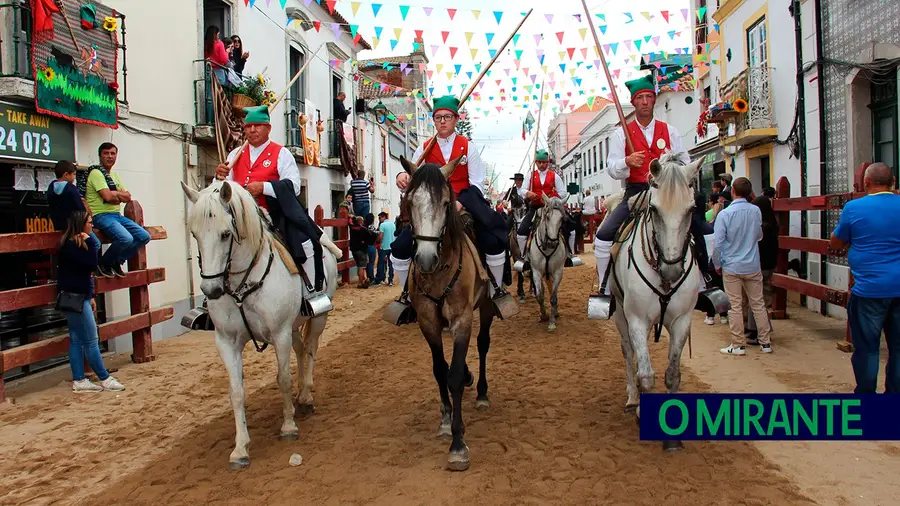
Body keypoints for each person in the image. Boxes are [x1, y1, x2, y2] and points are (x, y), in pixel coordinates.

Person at [391, 95, 509, 301]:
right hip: (432, 208)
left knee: (493, 242)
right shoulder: (424, 147)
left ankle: (496, 290)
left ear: (456, 119)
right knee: (400, 248)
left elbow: (477, 183)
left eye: (447, 117)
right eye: (438, 117)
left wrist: (460, 202)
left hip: (462, 204)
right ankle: (407, 296)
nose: (442, 121)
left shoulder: (467, 146)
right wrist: (401, 177)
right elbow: (413, 179)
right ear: (434, 121)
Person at [216, 105, 329, 300]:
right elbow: (222, 192)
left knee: (306, 243)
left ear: (268, 128)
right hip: (239, 219)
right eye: (248, 126)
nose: (252, 130)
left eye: (258, 126)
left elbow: (293, 186)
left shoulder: (281, 153)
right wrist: (219, 177)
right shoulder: (234, 156)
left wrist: (265, 187)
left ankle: (312, 292)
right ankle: (213, 299)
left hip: (273, 216)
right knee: (215, 246)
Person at [592, 74, 690, 295]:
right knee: (603, 235)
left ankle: (705, 280)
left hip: (666, 193)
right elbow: (611, 167)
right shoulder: (620, 134)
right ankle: (604, 286)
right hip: (636, 193)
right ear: (633, 102)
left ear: (654, 100)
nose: (645, 101)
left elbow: (686, 161)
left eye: (648, 96)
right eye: (640, 98)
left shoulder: (670, 131)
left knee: (701, 228)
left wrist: (673, 165)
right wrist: (627, 161)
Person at [830, 162, 900, 393]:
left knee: (868, 349)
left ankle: (867, 399)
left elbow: (837, 242)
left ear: (866, 182)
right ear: (893, 182)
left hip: (869, 290)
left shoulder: (854, 208)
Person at [57, 211, 125, 393]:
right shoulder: (72, 247)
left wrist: (91, 296)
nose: (91, 226)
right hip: (76, 298)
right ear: (81, 225)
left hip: (77, 297)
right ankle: (104, 378)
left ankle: (79, 379)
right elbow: (91, 264)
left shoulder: (70, 245)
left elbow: (86, 274)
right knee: (91, 340)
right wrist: (92, 240)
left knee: (77, 339)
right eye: (89, 222)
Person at [712, 177, 773, 355]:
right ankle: (765, 342)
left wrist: (718, 263)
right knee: (758, 303)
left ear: (733, 192)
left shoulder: (725, 214)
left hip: (732, 264)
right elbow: (759, 235)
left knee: (735, 305)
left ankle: (738, 344)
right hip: (752, 263)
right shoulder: (755, 211)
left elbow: (718, 243)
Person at [84, 143, 151, 278]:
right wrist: (117, 195)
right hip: (100, 215)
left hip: (116, 215)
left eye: (112, 153)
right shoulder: (96, 173)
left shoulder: (114, 176)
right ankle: (104, 263)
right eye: (106, 153)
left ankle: (117, 261)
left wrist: (114, 196)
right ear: (100, 155)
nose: (110, 156)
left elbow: (128, 197)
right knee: (125, 238)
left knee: (144, 236)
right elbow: (107, 196)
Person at [515, 149, 570, 259]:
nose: (541, 165)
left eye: (544, 162)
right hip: (535, 208)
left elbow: (563, 193)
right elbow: (521, 190)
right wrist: (528, 193)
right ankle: (523, 256)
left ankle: (569, 254)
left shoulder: (554, 176)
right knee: (521, 233)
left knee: (570, 227)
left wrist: (553, 198)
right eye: (539, 162)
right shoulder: (530, 175)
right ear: (535, 162)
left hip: (552, 208)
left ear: (548, 162)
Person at [743, 195, 778, 343]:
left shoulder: (762, 228)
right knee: (758, 298)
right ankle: (759, 328)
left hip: (759, 266)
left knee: (756, 299)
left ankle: (757, 331)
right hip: (768, 265)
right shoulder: (772, 225)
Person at [349, 216, 374, 289]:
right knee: (362, 267)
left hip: (354, 250)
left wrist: (351, 217)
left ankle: (365, 279)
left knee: (360, 266)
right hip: (362, 250)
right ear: (361, 222)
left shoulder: (352, 228)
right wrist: (366, 242)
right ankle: (360, 282)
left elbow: (350, 221)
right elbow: (371, 235)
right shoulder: (363, 229)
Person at [376, 211, 395, 286]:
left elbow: (381, 236)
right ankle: (390, 280)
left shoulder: (382, 225)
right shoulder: (393, 224)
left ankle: (380, 279)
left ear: (383, 217)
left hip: (384, 247)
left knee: (380, 263)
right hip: (392, 246)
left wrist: (378, 242)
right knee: (391, 264)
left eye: (380, 218)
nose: (379, 219)